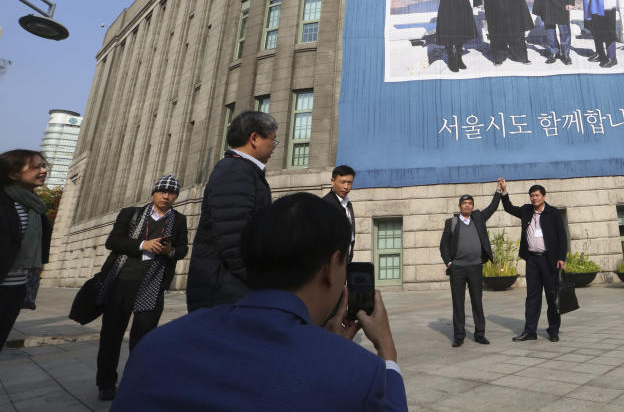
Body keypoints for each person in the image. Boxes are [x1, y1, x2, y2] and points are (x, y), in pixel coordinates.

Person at [114, 192, 407, 411]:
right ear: (330, 268)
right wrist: (388, 354)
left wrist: (326, 344)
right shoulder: (360, 373)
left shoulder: (155, 347)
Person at [94, 175, 188, 401]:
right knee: (111, 336)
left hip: (152, 285)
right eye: (162, 191)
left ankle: (136, 381)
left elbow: (183, 249)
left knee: (144, 338)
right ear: (154, 192)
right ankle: (106, 384)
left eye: (172, 192)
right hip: (122, 281)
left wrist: (169, 252)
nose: (166, 196)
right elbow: (113, 241)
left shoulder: (179, 219)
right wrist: (142, 244)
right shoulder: (131, 213)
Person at [187, 111, 277, 311]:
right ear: (254, 138)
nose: (274, 147)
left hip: (230, 289)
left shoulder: (245, 170)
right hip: (225, 292)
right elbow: (233, 239)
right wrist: (257, 280)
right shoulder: (235, 171)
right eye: (273, 140)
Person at [500, 180, 567, 342]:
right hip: (532, 261)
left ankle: (553, 330)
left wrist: (561, 258)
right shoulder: (526, 210)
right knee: (532, 297)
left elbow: (562, 237)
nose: (534, 198)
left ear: (543, 196)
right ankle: (530, 331)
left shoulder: (554, 213)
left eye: (536, 195)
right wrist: (504, 191)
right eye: (531, 196)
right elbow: (509, 208)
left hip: (549, 260)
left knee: (552, 297)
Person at [0, 150, 52, 351]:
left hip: (16, 288)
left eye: (44, 165)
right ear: (13, 174)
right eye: (36, 167)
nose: (44, 170)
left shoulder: (34, 207)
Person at [438, 184, 501, 347]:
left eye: (470, 203)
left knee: (477, 302)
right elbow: (443, 245)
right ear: (460, 206)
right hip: (457, 268)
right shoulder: (451, 222)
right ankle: (459, 335)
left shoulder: (478, 218)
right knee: (458, 302)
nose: (467, 206)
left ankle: (480, 334)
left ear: (473, 206)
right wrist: (449, 263)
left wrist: (499, 191)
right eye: (464, 203)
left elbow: (492, 207)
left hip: (475, 267)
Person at [320, 165, 357, 262]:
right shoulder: (325, 204)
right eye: (343, 182)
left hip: (345, 262)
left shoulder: (348, 205)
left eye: (349, 183)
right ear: (333, 182)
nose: (346, 187)